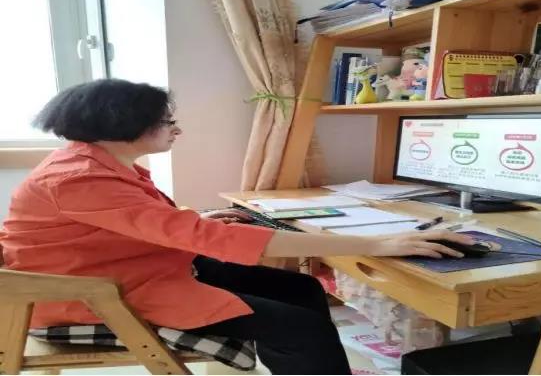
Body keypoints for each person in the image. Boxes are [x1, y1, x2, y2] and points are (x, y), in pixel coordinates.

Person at [0, 79, 472, 375]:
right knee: (299, 328)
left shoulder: (95, 164)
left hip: (128, 268)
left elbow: (135, 223)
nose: (176, 129)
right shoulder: (80, 178)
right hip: (92, 292)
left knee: (303, 289)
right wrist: (381, 242)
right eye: (166, 121)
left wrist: (194, 222)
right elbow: (208, 239)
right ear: (123, 125)